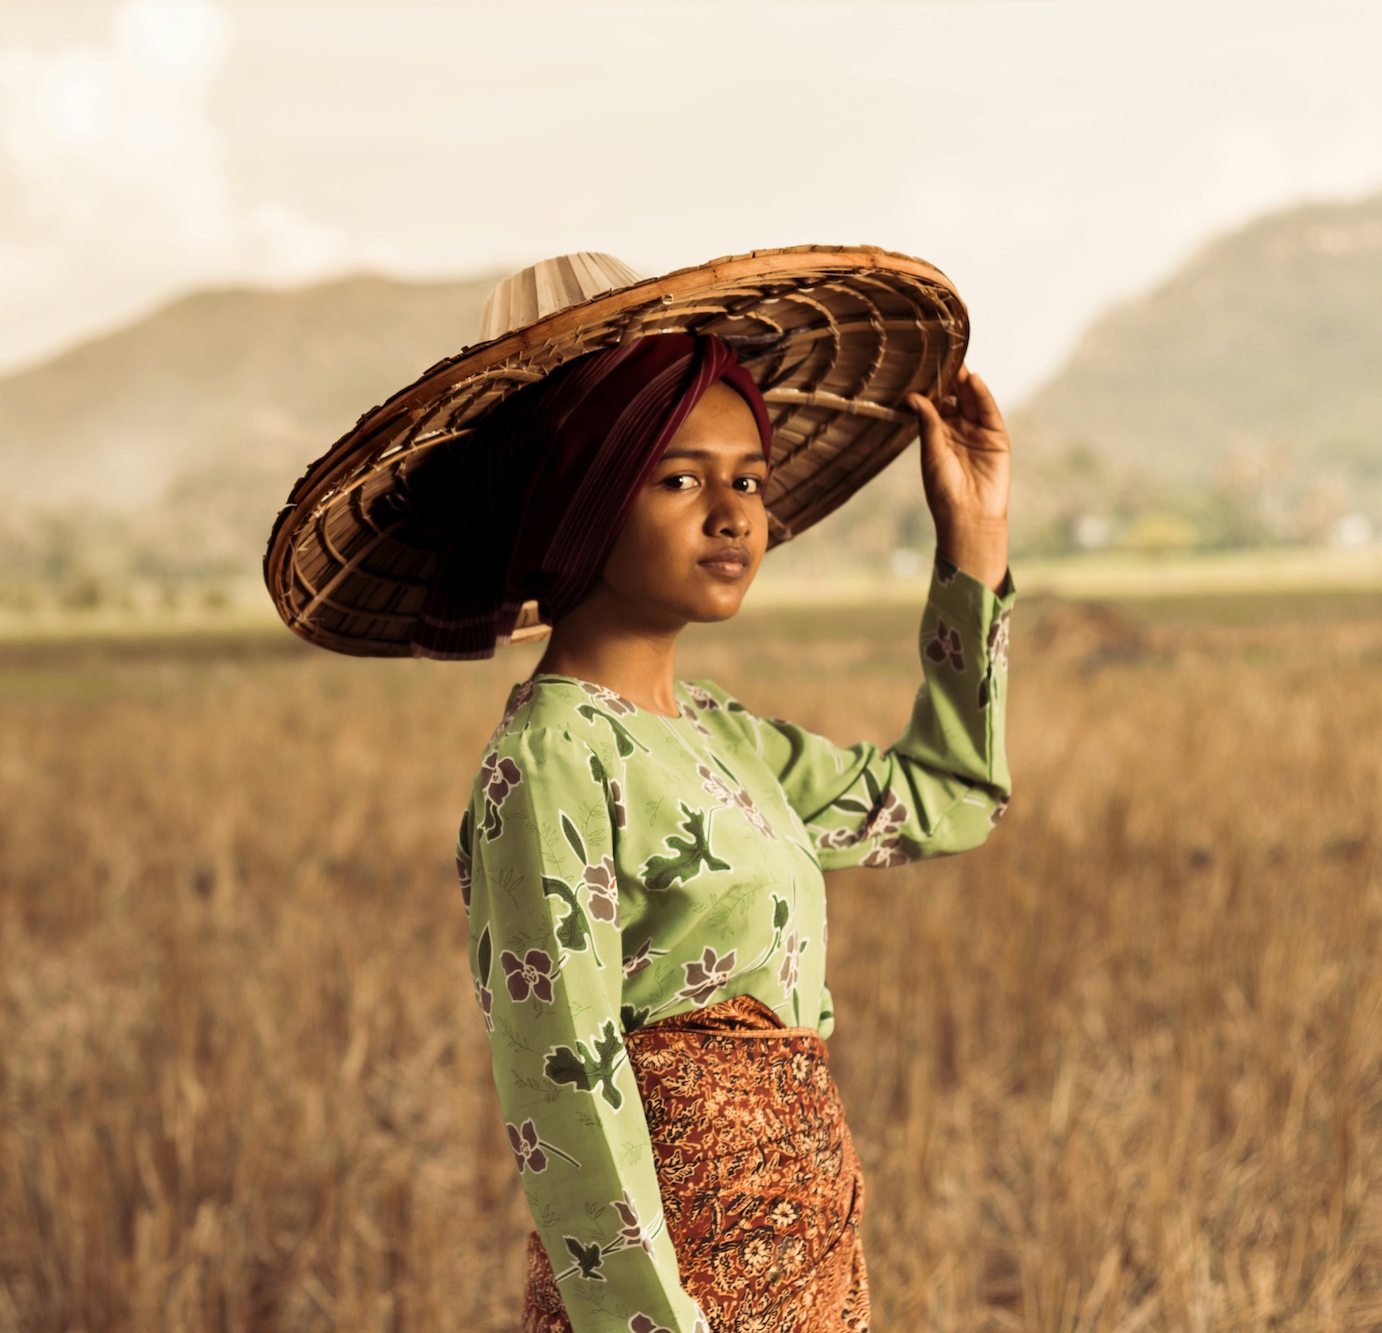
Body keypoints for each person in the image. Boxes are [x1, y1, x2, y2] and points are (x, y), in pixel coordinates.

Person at [265, 249, 1013, 1333]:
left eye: (747, 477)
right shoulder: (550, 759)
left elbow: (947, 798)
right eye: (676, 477)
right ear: (575, 499)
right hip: (670, 1295)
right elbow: (562, 1081)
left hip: (810, 1259)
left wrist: (974, 542)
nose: (732, 513)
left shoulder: (720, 737)